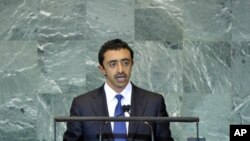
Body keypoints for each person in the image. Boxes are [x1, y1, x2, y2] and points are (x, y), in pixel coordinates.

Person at [63, 39, 174, 141]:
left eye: (126, 63)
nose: (120, 70)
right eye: (113, 64)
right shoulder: (82, 105)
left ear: (132, 65)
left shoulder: (154, 102)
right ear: (102, 69)